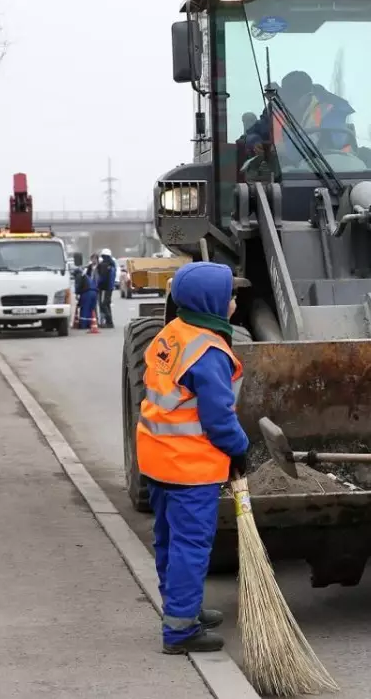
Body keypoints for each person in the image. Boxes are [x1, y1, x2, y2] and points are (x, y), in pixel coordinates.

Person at [136, 261, 249, 654]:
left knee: (168, 541)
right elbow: (218, 417)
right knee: (190, 546)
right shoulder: (209, 351)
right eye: (230, 295)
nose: (234, 301)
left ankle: (181, 610)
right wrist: (240, 448)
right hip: (189, 468)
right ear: (211, 301)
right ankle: (181, 631)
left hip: (157, 460)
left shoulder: (172, 334)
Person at [242, 70, 355, 160]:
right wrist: (255, 142)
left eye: (293, 101)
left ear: (308, 97)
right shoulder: (279, 108)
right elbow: (252, 133)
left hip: (337, 173)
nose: (288, 105)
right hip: (290, 175)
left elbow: (314, 147)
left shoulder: (330, 111)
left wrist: (278, 149)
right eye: (287, 99)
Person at [95, 249, 117, 329]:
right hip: (110, 287)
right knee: (107, 304)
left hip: (104, 288)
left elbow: (102, 278)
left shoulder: (104, 265)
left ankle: (109, 322)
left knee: (103, 304)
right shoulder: (112, 264)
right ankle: (109, 322)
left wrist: (97, 285)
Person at [74, 265, 97, 329]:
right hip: (94, 292)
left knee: (84, 309)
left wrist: (76, 293)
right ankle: (89, 324)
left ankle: (83, 325)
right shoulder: (86, 276)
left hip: (87, 293)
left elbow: (78, 286)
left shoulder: (79, 275)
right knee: (90, 309)